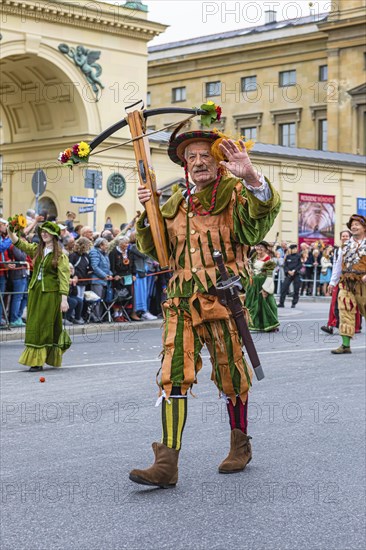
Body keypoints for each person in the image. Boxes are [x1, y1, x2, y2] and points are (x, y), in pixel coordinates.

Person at [129, 130, 280, 488]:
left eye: (205, 156)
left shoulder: (235, 194)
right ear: (185, 165)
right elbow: (157, 250)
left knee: (230, 373)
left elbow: (258, 221)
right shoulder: (175, 202)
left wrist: (253, 177)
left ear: (219, 161)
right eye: (191, 157)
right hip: (180, 299)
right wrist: (149, 212)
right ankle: (167, 463)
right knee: (173, 371)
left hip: (222, 297)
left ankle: (239, 444)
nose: (197, 162)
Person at [6, 221, 70, 372]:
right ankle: (37, 358)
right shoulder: (37, 249)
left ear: (54, 235)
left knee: (45, 326)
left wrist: (64, 299)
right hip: (35, 293)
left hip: (51, 295)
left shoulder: (60, 256)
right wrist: (10, 231)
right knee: (34, 324)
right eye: (42, 231)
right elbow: (19, 243)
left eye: (47, 231)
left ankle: (38, 360)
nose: (44, 233)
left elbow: (64, 278)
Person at [328, 215, 366, 354]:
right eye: (352, 225)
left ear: (364, 228)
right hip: (346, 284)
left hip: (363, 285)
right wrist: (333, 282)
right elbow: (338, 265)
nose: (354, 227)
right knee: (345, 312)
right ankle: (345, 345)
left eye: (357, 224)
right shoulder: (344, 246)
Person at [320, 230, 362, 335]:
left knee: (353, 303)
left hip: (354, 279)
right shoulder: (338, 250)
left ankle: (355, 325)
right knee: (335, 302)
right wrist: (332, 282)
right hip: (341, 279)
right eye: (342, 236)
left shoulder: (356, 247)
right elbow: (337, 266)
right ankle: (332, 324)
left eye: (346, 236)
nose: (344, 237)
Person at [245, 241, 279, 332]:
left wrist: (265, 289)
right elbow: (250, 267)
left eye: (261, 247)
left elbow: (269, 275)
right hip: (254, 283)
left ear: (265, 248)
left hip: (263, 283)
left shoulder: (268, 260)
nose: (258, 248)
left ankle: (271, 324)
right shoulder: (254, 256)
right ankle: (253, 324)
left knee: (267, 303)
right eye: (257, 246)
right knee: (252, 303)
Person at [89, 237, 113, 320]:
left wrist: (110, 274)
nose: (107, 246)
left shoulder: (104, 253)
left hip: (104, 280)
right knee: (97, 300)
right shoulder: (94, 252)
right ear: (101, 245)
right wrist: (104, 275)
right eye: (106, 244)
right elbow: (95, 266)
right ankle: (96, 316)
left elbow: (106, 266)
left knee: (102, 299)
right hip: (97, 280)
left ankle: (100, 316)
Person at [277, 244, 302, 308]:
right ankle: (281, 303)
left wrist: (294, 271)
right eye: (293, 249)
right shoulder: (288, 256)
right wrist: (288, 271)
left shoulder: (299, 256)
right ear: (291, 250)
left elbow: (300, 265)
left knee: (296, 289)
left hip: (296, 274)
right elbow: (285, 265)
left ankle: (294, 303)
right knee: (284, 288)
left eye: (296, 249)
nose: (295, 250)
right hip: (288, 274)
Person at [0, 218, 13, 327]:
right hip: (1, 272)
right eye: (5, 225)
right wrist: (11, 238)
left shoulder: (2, 237)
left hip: (2, 272)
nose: (6, 227)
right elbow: (2, 247)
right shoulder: (3, 238)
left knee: (2, 297)